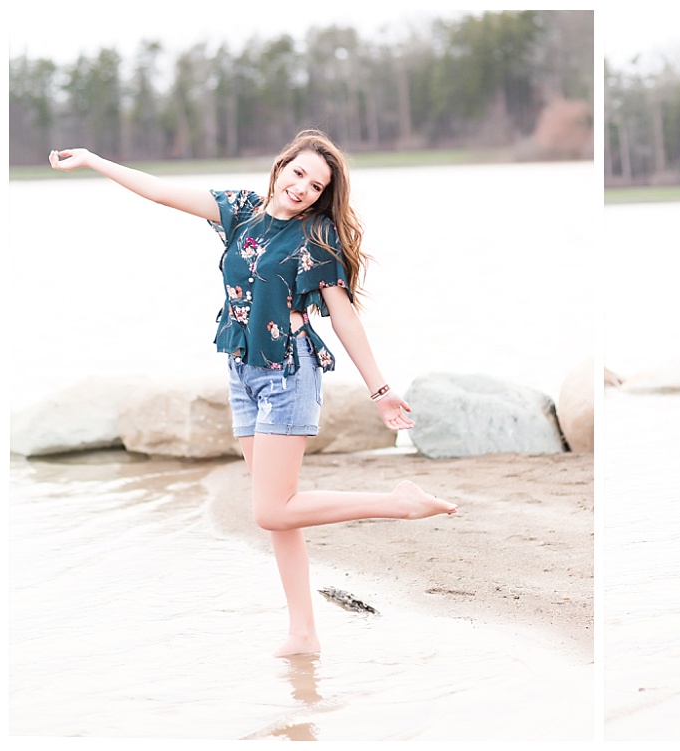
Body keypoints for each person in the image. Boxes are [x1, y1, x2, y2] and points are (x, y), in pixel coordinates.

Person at [49, 129, 458, 656]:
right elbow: (158, 191)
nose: (304, 187)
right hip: (243, 372)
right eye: (299, 173)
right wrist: (93, 160)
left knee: (271, 509)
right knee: (279, 511)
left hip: (289, 372)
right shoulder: (240, 212)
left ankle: (397, 503)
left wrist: (380, 389)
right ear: (281, 166)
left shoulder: (318, 238)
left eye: (316, 185)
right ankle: (304, 635)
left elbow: (344, 316)